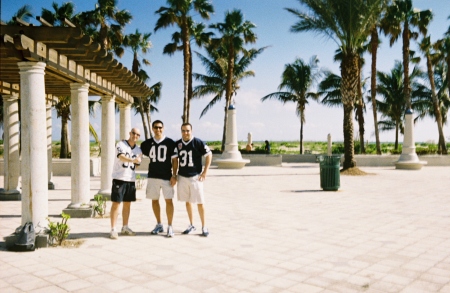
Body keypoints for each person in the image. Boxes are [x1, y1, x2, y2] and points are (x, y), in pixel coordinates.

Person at [140, 120, 178, 237]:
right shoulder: (146, 143)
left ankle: (170, 226)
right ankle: (159, 224)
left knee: (169, 201)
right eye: (156, 127)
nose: (158, 130)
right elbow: (138, 154)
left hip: (166, 176)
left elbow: (175, 160)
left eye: (160, 127)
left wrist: (174, 175)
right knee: (154, 200)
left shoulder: (170, 142)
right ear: (152, 128)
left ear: (163, 128)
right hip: (152, 176)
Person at [175, 123, 212, 237]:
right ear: (181, 131)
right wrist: (174, 174)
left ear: (191, 131)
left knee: (200, 202)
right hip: (182, 176)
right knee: (187, 201)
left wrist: (205, 172)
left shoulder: (198, 142)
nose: (186, 133)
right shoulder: (178, 144)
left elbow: (209, 154)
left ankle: (204, 226)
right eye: (183, 131)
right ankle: (191, 224)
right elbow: (175, 160)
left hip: (195, 176)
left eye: (188, 131)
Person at [109, 128, 142, 239]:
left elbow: (137, 164)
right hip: (119, 178)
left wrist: (137, 161)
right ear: (130, 133)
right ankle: (113, 228)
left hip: (130, 179)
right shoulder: (121, 144)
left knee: (127, 204)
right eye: (133, 133)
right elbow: (121, 157)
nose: (135, 136)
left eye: (138, 134)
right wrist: (133, 160)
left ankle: (125, 226)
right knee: (116, 203)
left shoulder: (138, 150)